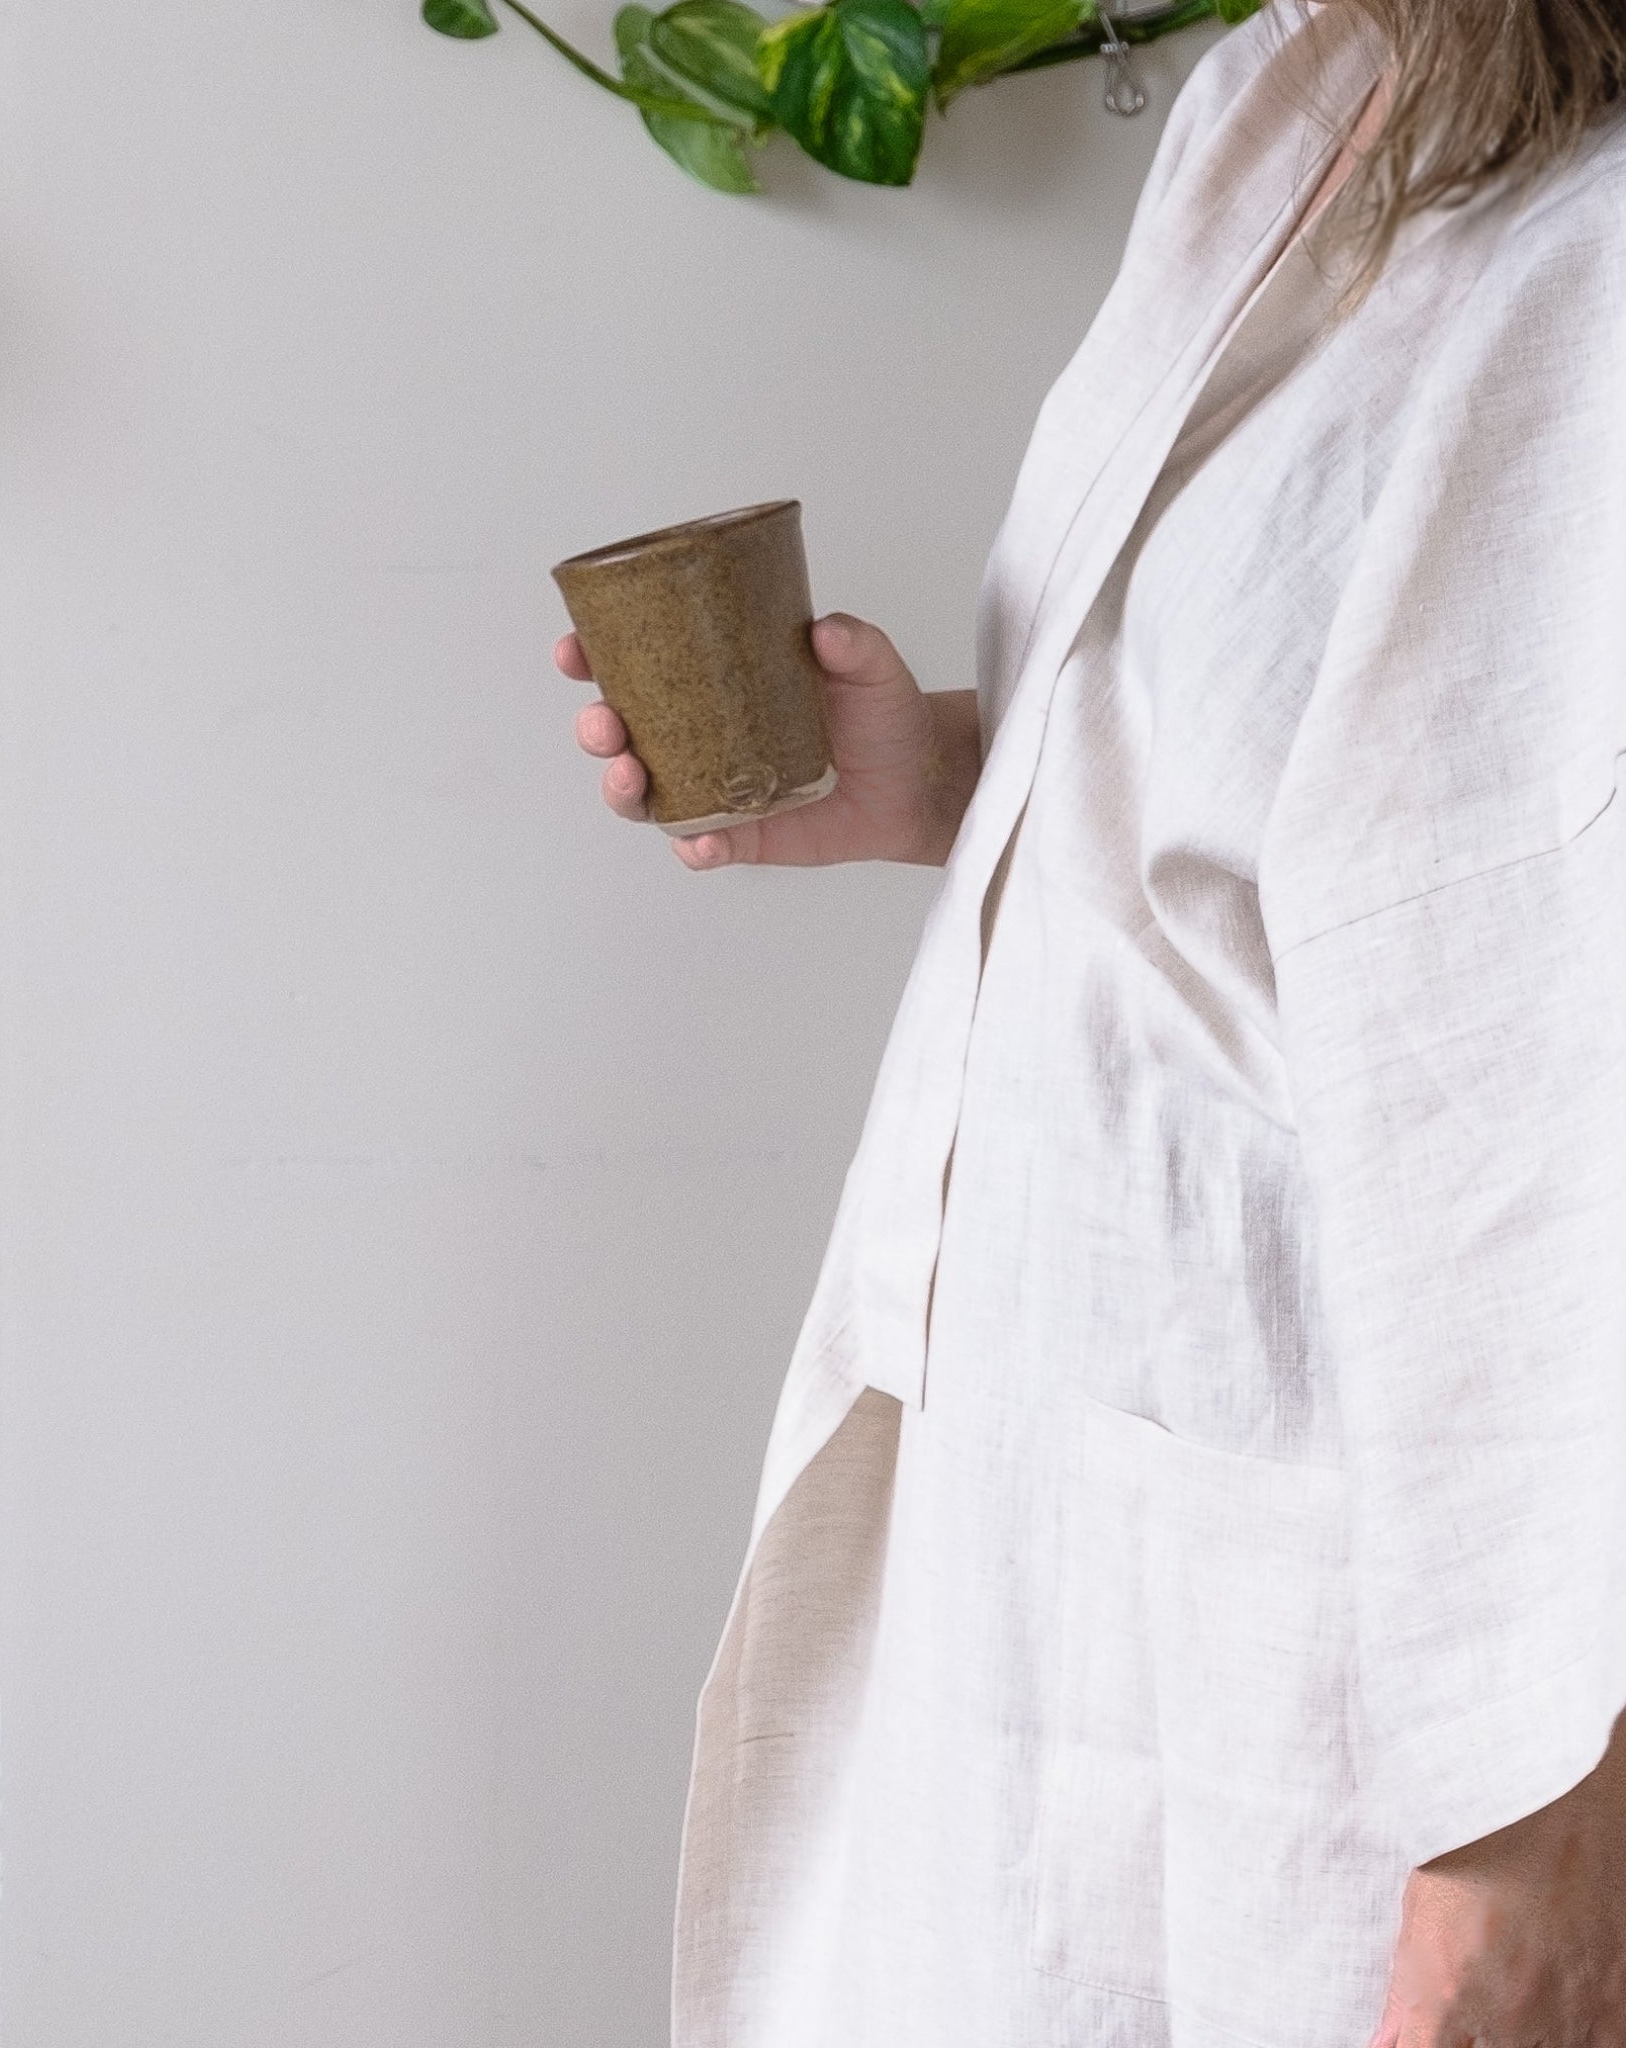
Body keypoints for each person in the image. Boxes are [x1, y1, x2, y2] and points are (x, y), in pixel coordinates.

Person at [554, 0, 1626, 2041]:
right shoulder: (1292, 97)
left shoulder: (1597, 258)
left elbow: (1558, 1108)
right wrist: (958, 773)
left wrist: (1536, 1847)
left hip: (1364, 1712)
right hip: (1043, 1591)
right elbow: (1333, 806)